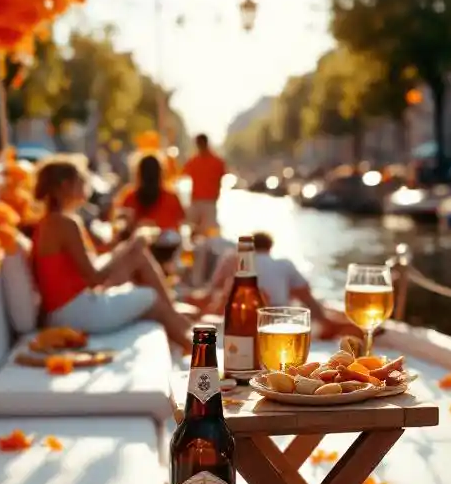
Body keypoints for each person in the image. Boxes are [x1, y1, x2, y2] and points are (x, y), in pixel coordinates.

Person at [31, 155, 194, 349]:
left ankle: (183, 330)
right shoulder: (64, 223)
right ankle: (199, 353)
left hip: (67, 310)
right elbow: (94, 278)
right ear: (66, 186)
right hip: (75, 313)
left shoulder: (53, 221)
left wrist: (127, 245)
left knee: (139, 258)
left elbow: (88, 263)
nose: (87, 188)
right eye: (82, 182)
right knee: (152, 298)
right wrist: (134, 242)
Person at [200, 232, 350, 338]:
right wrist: (323, 320)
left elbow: (215, 290)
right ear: (270, 247)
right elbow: (306, 295)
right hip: (277, 321)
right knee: (331, 318)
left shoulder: (232, 259)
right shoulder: (283, 264)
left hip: (240, 320)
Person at [113, 153, 186, 233]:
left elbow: (118, 227)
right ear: (160, 174)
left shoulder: (128, 197)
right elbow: (180, 223)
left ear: (138, 174)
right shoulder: (172, 198)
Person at [182, 133, 226, 234]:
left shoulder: (194, 161)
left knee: (199, 231)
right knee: (202, 231)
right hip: (205, 201)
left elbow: (183, 172)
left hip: (203, 201)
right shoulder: (217, 161)